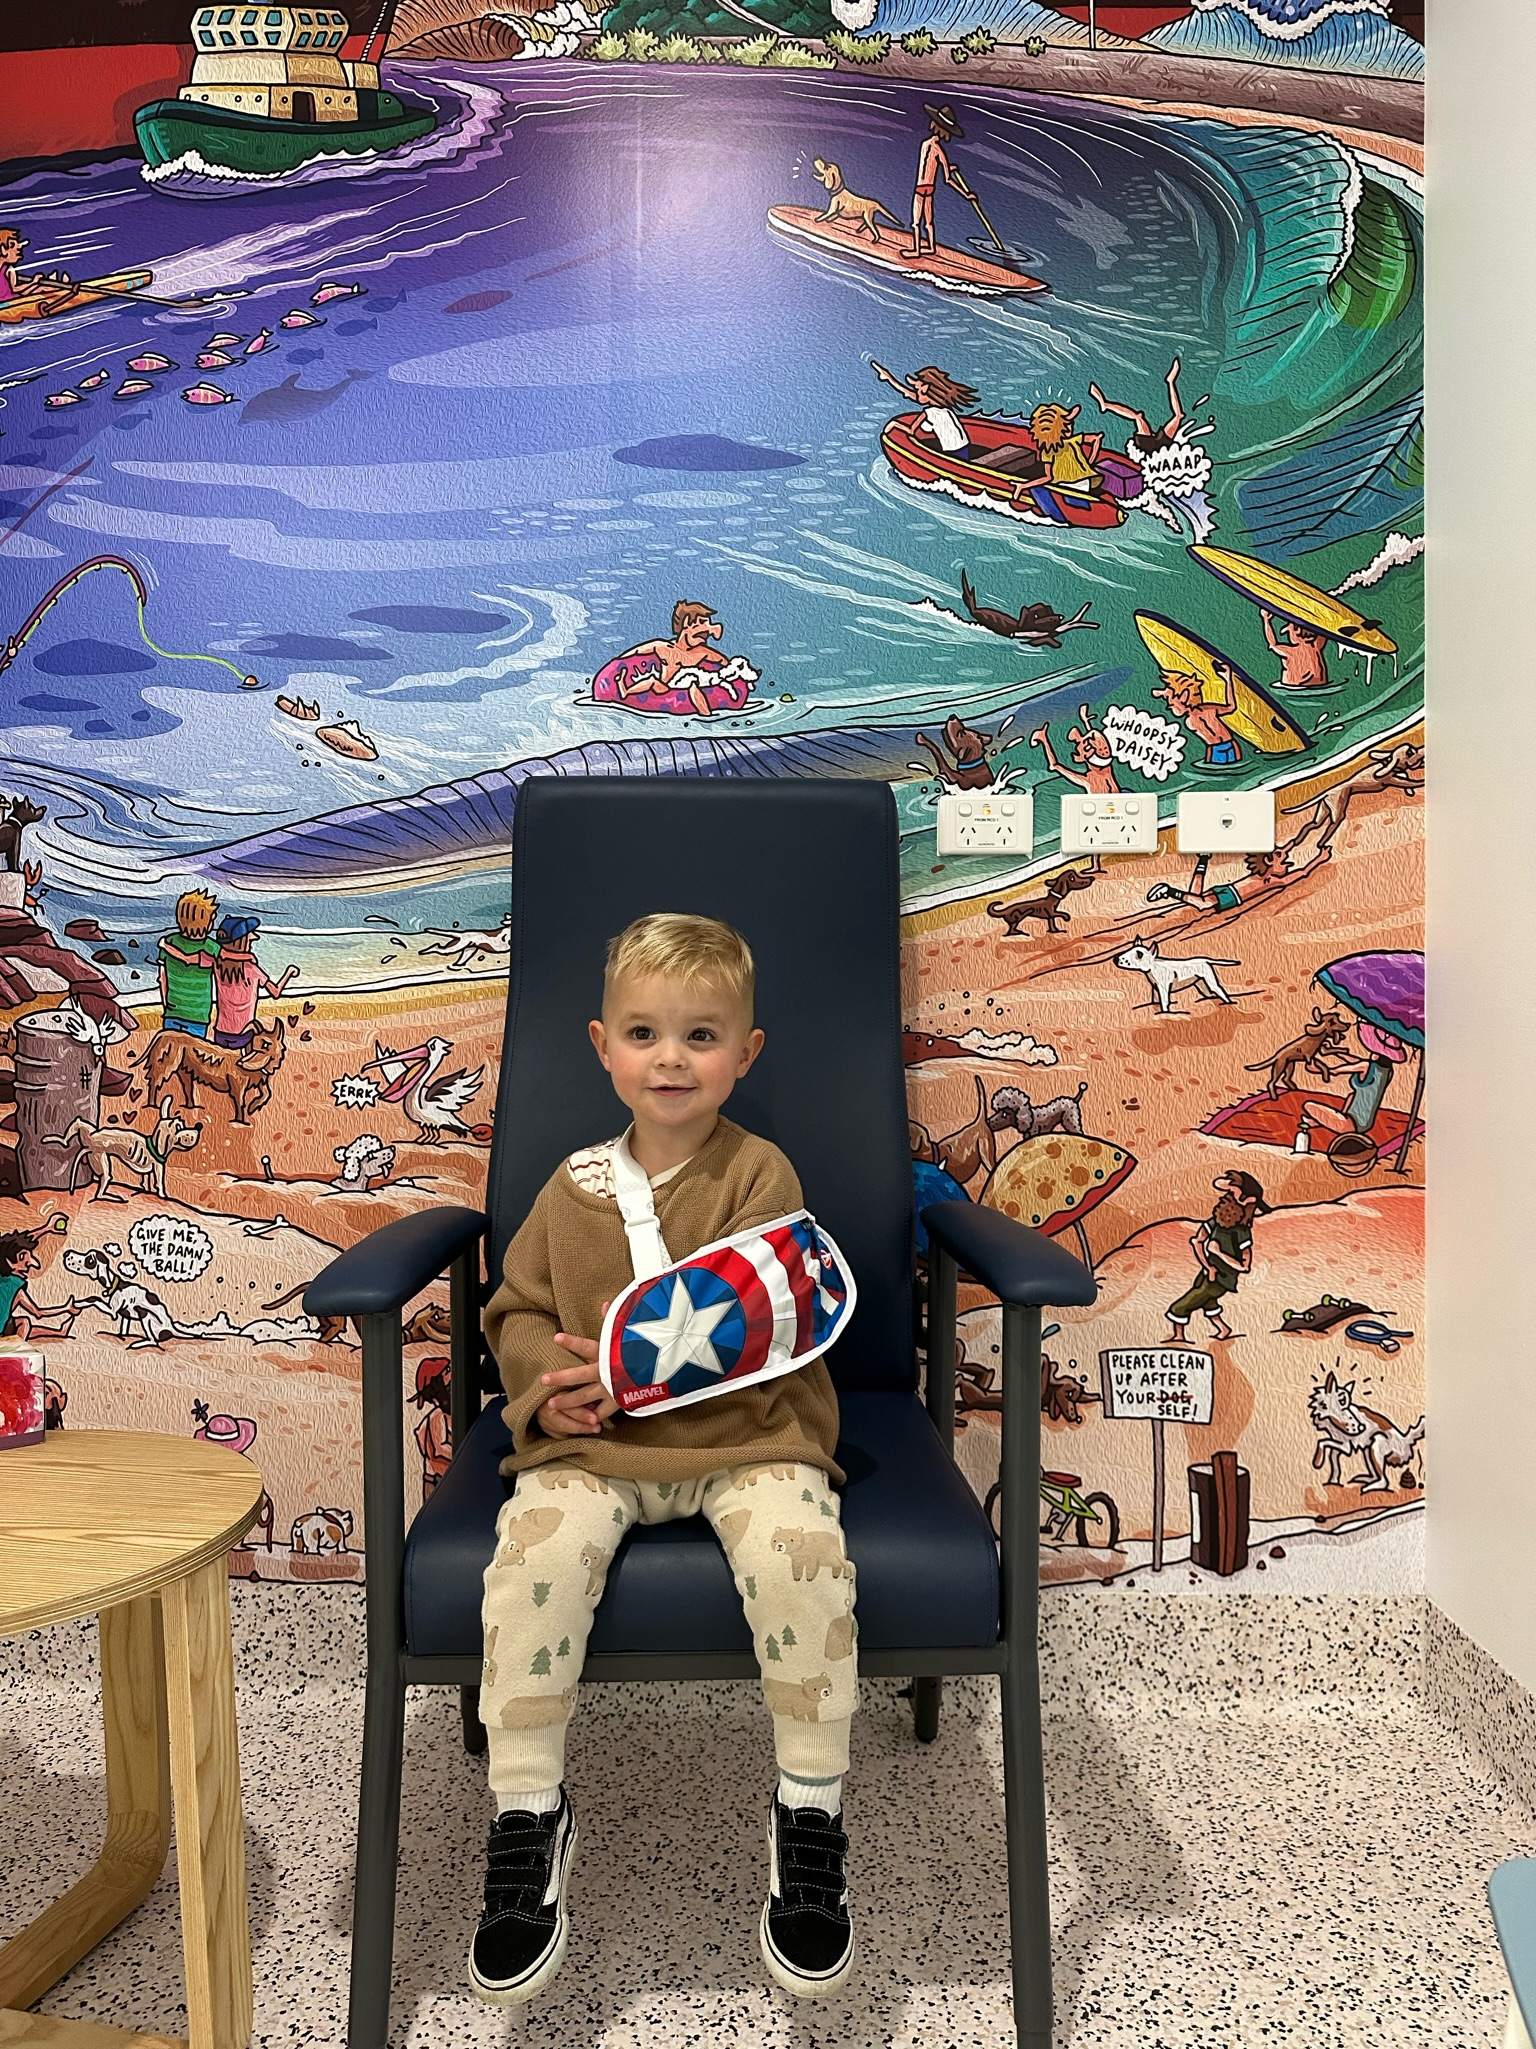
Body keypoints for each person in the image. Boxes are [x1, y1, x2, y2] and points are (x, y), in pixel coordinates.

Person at [472, 913, 857, 2007]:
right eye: (645, 1034)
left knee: (801, 1555)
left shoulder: (760, 1176)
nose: (672, 1058)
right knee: (534, 1560)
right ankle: (528, 1814)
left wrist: (628, 1375)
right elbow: (519, 1311)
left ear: (747, 1052)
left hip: (751, 1439)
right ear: (604, 1047)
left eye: (700, 1036)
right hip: (594, 1446)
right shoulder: (570, 1188)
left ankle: (810, 1813)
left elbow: (763, 1319)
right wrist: (556, 1386)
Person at [1165, 1172, 1268, 1343]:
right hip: (1209, 1272)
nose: (1228, 1198)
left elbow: (1245, 1266)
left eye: (1234, 1195)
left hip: (1223, 1279)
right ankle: (1224, 1328)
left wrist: (1219, 1253)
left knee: (1182, 1305)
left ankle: (1179, 1336)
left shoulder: (1241, 1232)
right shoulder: (1215, 1222)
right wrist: (1208, 1266)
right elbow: (1197, 1241)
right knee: (1208, 1302)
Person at [1293, 1019, 1408, 1154]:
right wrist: (1335, 1052)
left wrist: (1319, 1069)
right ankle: (1319, 1122)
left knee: (1308, 1105)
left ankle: (1325, 1122)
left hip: (1351, 1123)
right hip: (1365, 1122)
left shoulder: (1365, 1066)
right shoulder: (1386, 1072)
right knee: (1351, 1096)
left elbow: (1336, 1071)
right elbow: (1356, 1061)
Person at [614, 602, 737, 718]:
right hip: (665, 687)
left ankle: (706, 715)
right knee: (652, 681)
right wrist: (617, 662)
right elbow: (638, 650)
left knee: (692, 682)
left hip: (686, 685)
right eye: (701, 623)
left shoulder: (702, 652)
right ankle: (626, 691)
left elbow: (723, 661)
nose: (706, 632)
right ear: (687, 624)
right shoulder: (664, 648)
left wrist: (734, 674)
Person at [210, 914, 297, 1051]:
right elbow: (275, 992)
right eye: (249, 942)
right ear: (242, 942)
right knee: (259, 1031)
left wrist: (246, 956)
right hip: (244, 1035)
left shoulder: (217, 965)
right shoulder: (251, 969)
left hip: (220, 1033)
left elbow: (221, 953)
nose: (250, 946)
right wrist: (289, 973)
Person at [872, 360, 979, 457]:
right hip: (965, 447)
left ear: (926, 390)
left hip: (952, 452)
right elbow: (913, 395)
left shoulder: (929, 412)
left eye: (918, 390)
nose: (916, 394)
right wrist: (889, 378)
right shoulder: (946, 408)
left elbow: (911, 430)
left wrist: (894, 424)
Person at [1089, 356, 1188, 457]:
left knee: (1139, 417)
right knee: (1177, 416)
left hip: (1149, 446)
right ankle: (1170, 382)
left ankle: (1105, 405)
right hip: (1156, 445)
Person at [158, 888, 221, 1038]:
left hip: (173, 1012)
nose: (212, 923)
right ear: (204, 920)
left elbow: (163, 979)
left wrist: (167, 1005)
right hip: (198, 1014)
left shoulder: (170, 941)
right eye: (211, 919)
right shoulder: (213, 947)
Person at [1153, 663, 1243, 768]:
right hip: (1217, 750)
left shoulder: (1207, 710)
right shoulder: (1194, 718)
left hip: (1230, 746)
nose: (1170, 707)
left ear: (1184, 697)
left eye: (1172, 704)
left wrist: (1228, 680)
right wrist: (1164, 693)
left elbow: (1231, 707)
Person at [910, 102, 969, 257]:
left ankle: (916, 250)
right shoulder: (939, 150)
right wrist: (965, 193)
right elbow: (947, 176)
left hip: (920, 188)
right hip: (929, 188)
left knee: (917, 222)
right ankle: (930, 247)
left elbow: (938, 173)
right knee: (928, 221)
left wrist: (965, 194)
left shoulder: (926, 144)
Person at [0, 1229, 77, 1341]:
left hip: (4, 1327)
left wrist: (47, 1228)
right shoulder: (15, 1287)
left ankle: (60, 1332)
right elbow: (38, 1313)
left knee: (16, 1324)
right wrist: (66, 1308)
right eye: (22, 1257)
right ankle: (15, 1351)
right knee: (24, 1323)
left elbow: (14, 1245)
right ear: (9, 1262)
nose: (29, 1261)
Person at [1030, 706, 1120, 794]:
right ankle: (1042, 736)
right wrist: (1044, 741)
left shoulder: (1105, 769)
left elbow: (1096, 742)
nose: (1104, 752)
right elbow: (1054, 765)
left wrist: (1086, 722)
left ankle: (1042, 736)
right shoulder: (1099, 774)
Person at [1028, 402, 1103, 494]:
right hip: (1086, 482)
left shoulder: (1048, 450)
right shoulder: (1071, 441)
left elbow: (1048, 477)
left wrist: (1024, 485)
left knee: (1041, 490)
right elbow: (1096, 438)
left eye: (1070, 424)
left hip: (1073, 485)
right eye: (1066, 425)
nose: (1070, 428)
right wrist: (1090, 462)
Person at [411, 1355, 453, 1497]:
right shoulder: (437, 1416)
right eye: (447, 1371)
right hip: (438, 1483)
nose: (451, 1374)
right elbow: (439, 1450)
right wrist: (466, 1456)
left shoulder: (447, 1415)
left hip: (446, 1480)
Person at [0, 227, 71, 307]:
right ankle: (58, 288)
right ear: (2, 249)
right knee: (39, 289)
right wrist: (33, 282)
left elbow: (16, 288)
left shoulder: (9, 269)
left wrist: (33, 282)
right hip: (7, 303)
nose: (19, 248)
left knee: (39, 288)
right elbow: (16, 289)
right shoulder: (8, 269)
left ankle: (58, 288)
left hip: (12, 300)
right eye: (12, 245)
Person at [1262, 613, 1330, 691]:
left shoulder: (1291, 651)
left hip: (1293, 688)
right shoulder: (1316, 646)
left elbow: (1273, 644)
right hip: (1319, 687)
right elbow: (1324, 632)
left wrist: (1266, 620)